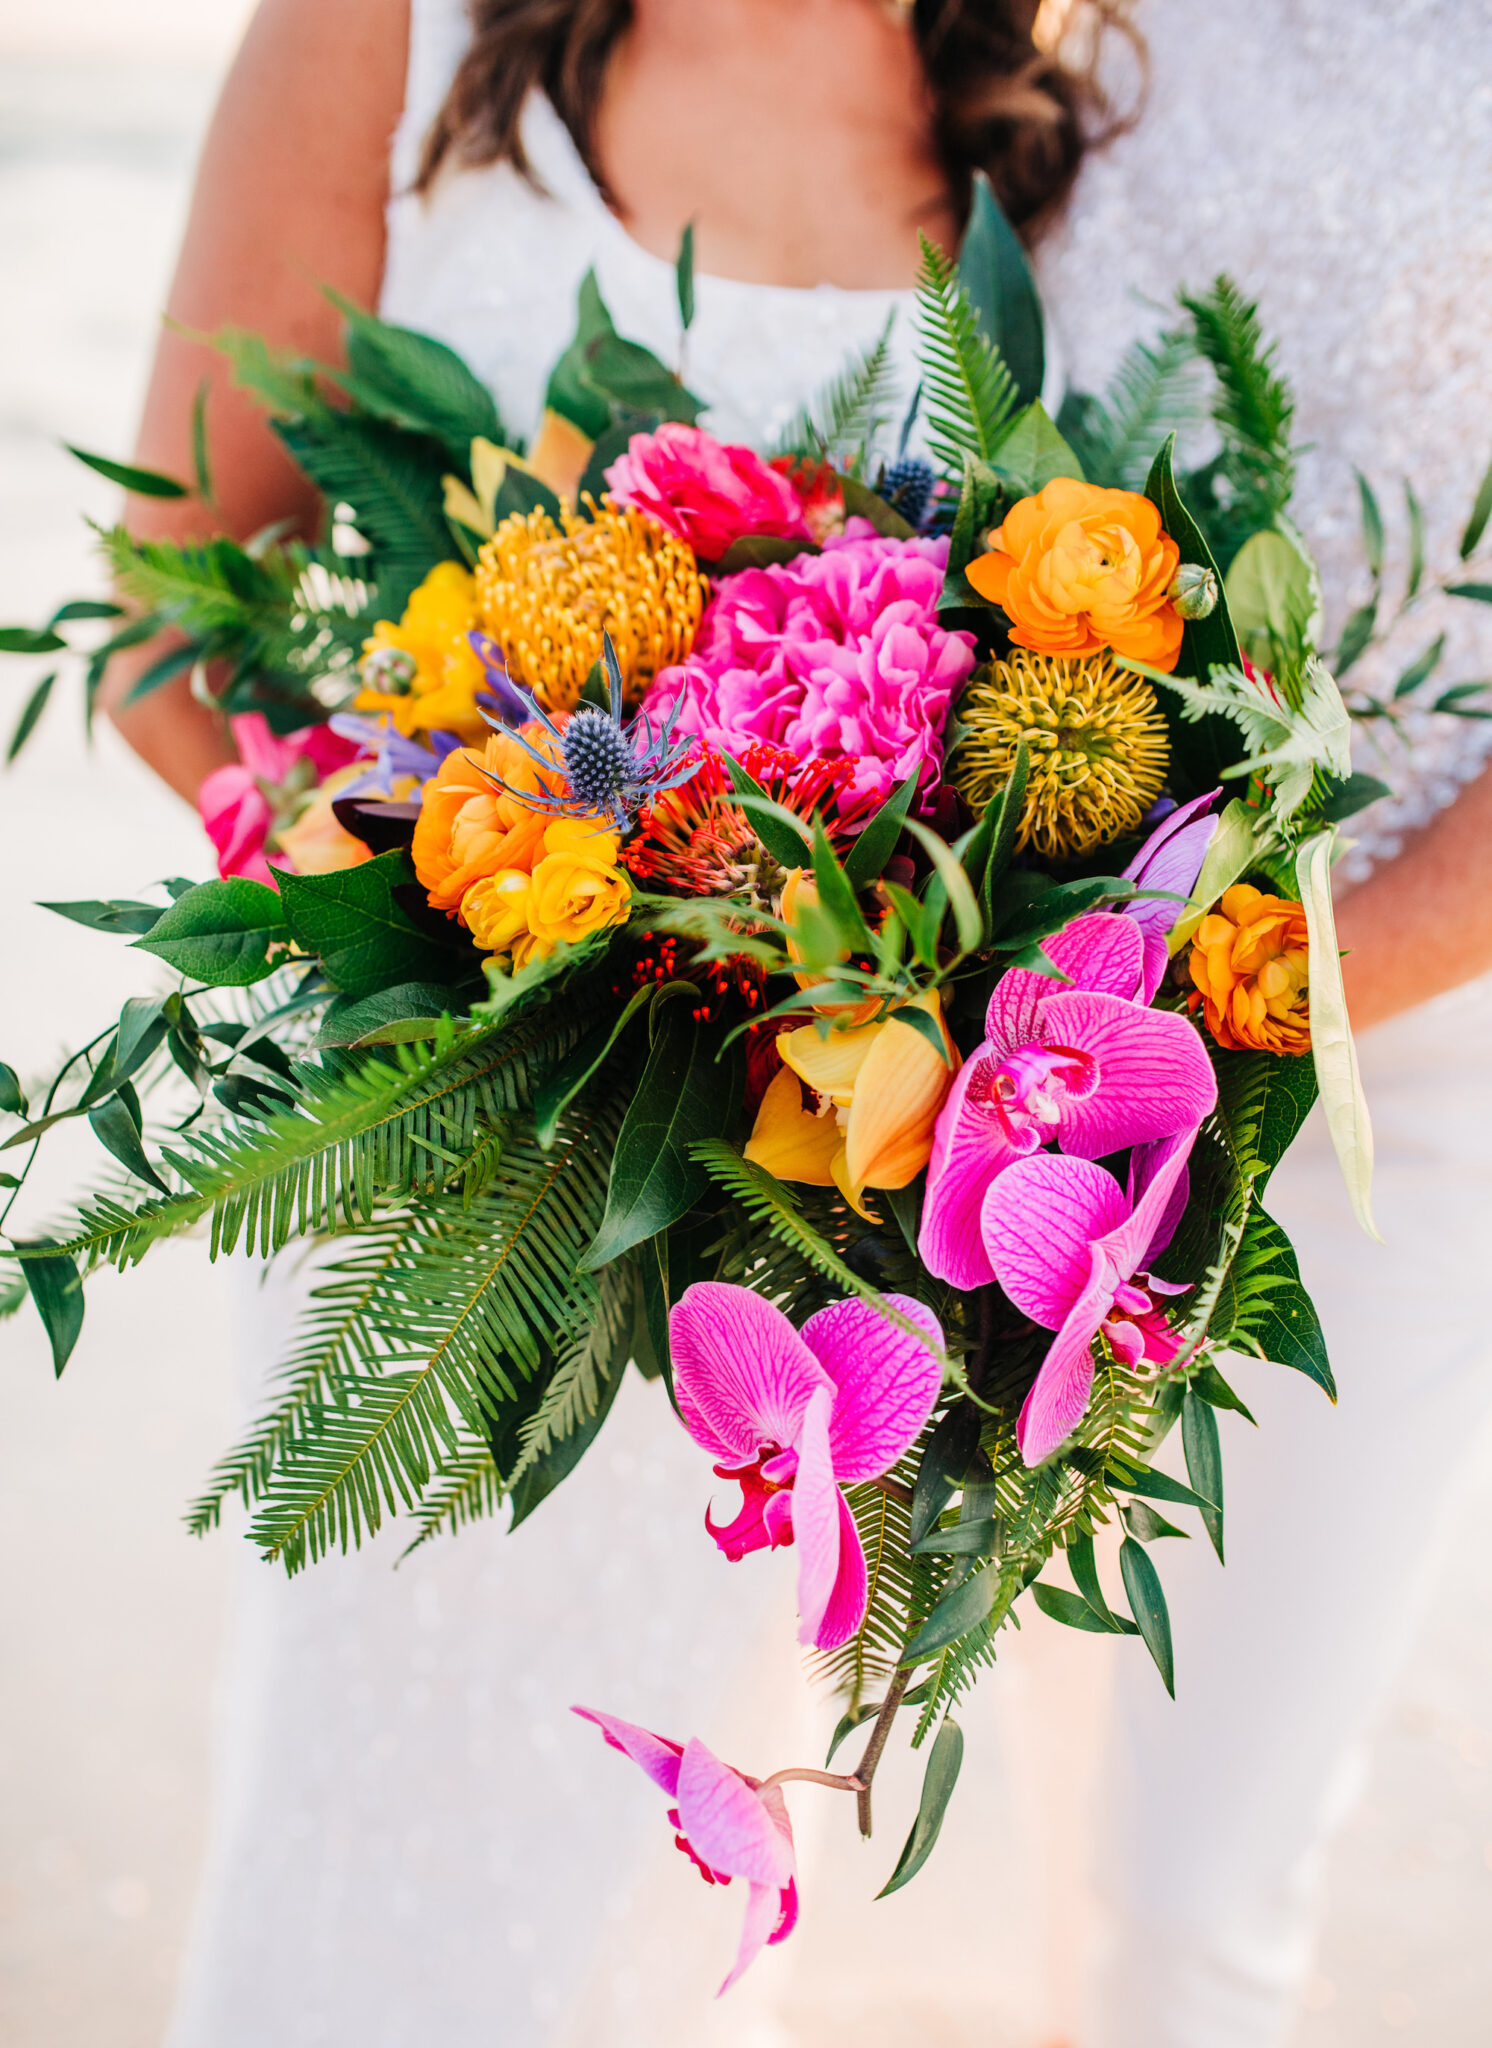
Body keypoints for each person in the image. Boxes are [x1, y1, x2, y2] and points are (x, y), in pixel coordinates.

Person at [98, 3, 1492, 2044]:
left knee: (681, 1912)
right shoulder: (380, 32)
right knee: (358, 1832)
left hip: (771, 1242)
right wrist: (432, 890)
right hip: (461, 1142)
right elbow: (169, 596)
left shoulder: (1038, 113)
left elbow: (1019, 697)